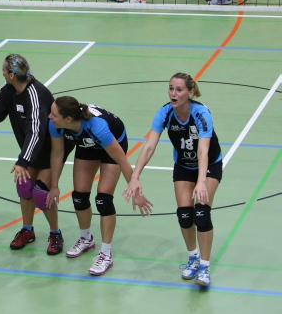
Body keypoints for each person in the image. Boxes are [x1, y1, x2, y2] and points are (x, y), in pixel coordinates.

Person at [0, 54, 67, 254]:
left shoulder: (35, 95)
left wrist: (23, 161)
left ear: (11, 75)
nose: (1, 72)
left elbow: (35, 132)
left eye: (3, 69)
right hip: (31, 149)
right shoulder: (8, 90)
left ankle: (55, 233)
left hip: (50, 150)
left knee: (42, 193)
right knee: (24, 186)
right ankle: (27, 230)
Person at [124, 73, 220, 287]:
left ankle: (204, 267)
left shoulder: (201, 114)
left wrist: (201, 181)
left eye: (179, 89)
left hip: (208, 166)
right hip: (184, 166)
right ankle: (193, 257)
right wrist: (135, 176)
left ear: (190, 92)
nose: (173, 93)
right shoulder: (165, 113)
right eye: (171, 88)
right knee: (185, 215)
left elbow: (203, 151)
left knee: (201, 213)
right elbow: (149, 146)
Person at [47, 96, 152, 275]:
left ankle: (106, 253)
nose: (49, 116)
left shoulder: (97, 127)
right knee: (79, 197)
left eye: (53, 114)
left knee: (103, 199)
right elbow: (57, 154)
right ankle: (86, 239)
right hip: (87, 144)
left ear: (68, 119)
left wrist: (135, 188)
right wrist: (54, 185)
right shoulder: (55, 125)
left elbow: (122, 160)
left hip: (111, 142)